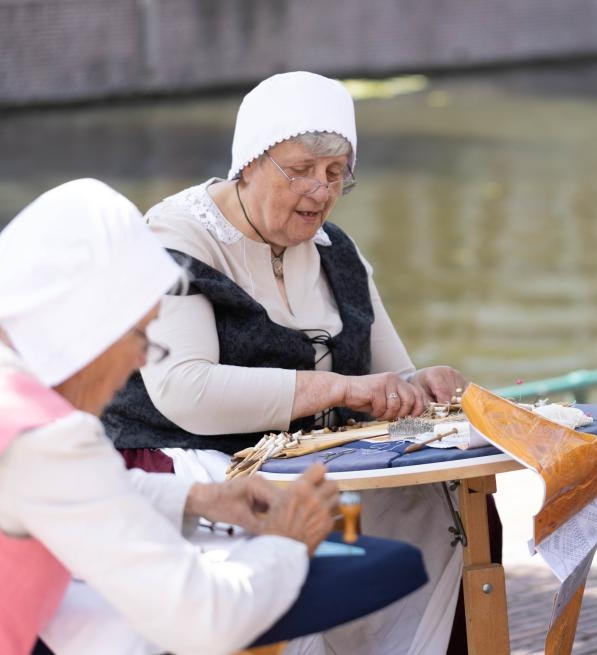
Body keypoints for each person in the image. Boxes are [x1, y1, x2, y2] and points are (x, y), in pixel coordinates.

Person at [101, 71, 494, 654]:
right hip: (194, 460)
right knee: (297, 531)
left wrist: (420, 385)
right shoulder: (176, 239)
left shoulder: (338, 252)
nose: (320, 190)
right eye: (301, 169)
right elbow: (184, 391)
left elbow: (386, 379)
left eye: (336, 173)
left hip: (313, 465)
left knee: (442, 501)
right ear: (249, 163)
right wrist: (334, 388)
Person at [0, 179, 341, 654]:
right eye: (143, 334)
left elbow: (56, 490)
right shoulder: (45, 437)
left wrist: (200, 497)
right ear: (92, 324)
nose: (144, 360)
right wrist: (288, 542)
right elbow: (204, 621)